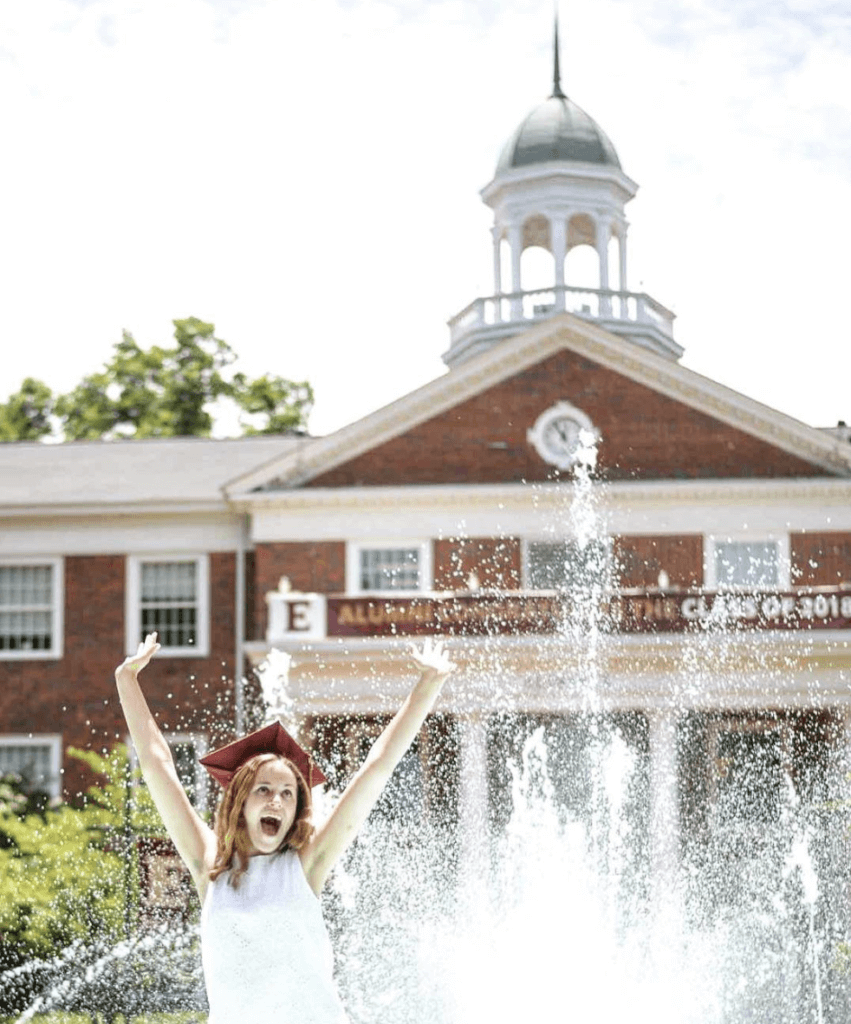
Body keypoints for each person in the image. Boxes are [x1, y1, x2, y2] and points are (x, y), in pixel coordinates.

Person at [114, 631, 455, 1024]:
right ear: (239, 802)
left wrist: (429, 686)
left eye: (288, 794)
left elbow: (375, 769)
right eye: (263, 790)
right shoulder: (210, 866)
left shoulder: (306, 865)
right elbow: (159, 767)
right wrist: (127, 680)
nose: (276, 800)